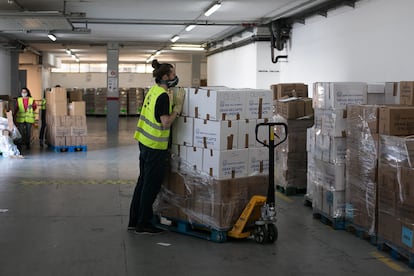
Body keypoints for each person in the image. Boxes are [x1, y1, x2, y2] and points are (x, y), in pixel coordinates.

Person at [128, 59, 184, 234]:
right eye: (173, 74)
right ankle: (143, 223)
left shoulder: (152, 91)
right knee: (150, 185)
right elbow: (165, 123)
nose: (175, 77)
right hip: (154, 147)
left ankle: (134, 219)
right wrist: (177, 108)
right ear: (166, 76)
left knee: (142, 182)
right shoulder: (162, 96)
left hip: (144, 143)